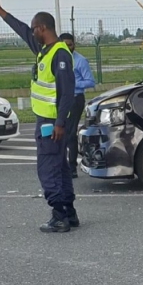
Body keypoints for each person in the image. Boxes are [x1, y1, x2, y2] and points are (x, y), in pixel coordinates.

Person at [0, 0, 79, 233]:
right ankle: (69, 212)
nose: (32, 32)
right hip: (49, 121)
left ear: (43, 28)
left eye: (35, 28)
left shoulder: (59, 54)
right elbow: (22, 30)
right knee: (61, 167)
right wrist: (0, 11)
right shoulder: (44, 48)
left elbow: (67, 93)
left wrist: (58, 123)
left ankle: (59, 216)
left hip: (51, 124)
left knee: (48, 168)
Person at [60, 32, 95, 178]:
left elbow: (90, 81)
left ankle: (72, 167)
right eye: (65, 44)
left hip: (75, 99)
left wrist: (73, 84)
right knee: (59, 133)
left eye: (70, 44)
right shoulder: (56, 59)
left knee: (70, 134)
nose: (68, 47)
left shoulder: (80, 61)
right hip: (60, 100)